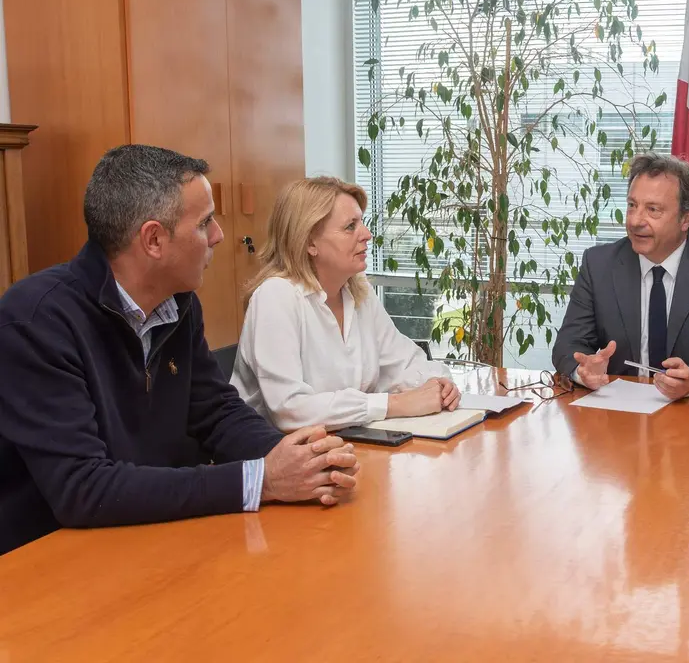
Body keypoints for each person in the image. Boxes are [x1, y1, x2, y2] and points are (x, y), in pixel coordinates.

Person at [0, 145, 359, 556]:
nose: (220, 235)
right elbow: (82, 488)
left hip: (153, 538)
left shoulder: (178, 302)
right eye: (205, 222)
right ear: (154, 239)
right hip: (49, 563)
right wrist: (261, 480)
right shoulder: (35, 322)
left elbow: (215, 412)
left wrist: (297, 458)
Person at [230, 176, 460, 432]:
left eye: (361, 222)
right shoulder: (276, 297)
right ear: (309, 242)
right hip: (276, 459)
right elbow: (290, 410)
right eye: (350, 226)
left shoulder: (357, 291)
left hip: (347, 443)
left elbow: (404, 363)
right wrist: (394, 404)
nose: (367, 234)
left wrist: (438, 384)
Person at [552, 152, 689, 399]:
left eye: (653, 210)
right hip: (618, 412)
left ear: (686, 218)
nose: (636, 220)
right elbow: (568, 345)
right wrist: (582, 370)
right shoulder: (599, 264)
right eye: (632, 205)